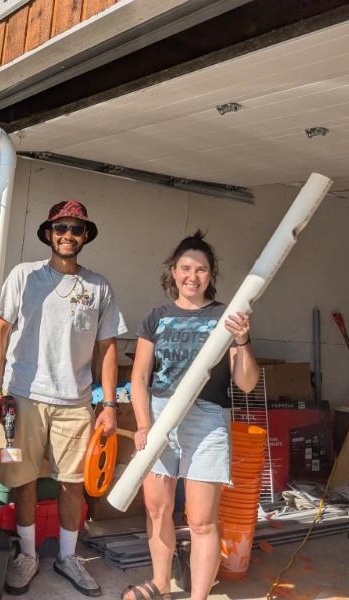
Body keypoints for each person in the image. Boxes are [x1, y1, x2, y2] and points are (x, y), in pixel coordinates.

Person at [0, 199, 127, 597]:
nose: (68, 235)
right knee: (20, 474)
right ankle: (28, 554)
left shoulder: (99, 286)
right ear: (49, 234)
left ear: (86, 237)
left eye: (77, 229)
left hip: (76, 404)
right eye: (61, 228)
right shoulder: (23, 276)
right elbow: (0, 333)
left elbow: (108, 348)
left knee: (72, 482)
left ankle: (68, 558)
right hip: (21, 399)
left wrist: (110, 406)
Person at [123, 231, 259, 600]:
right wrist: (144, 425)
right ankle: (160, 583)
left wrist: (243, 341)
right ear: (173, 271)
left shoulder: (225, 317)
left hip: (206, 418)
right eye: (186, 268)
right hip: (161, 414)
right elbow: (139, 377)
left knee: (201, 521)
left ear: (211, 275)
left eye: (201, 270)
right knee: (157, 508)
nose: (192, 276)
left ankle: (197, 596)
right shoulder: (156, 317)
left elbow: (246, 383)